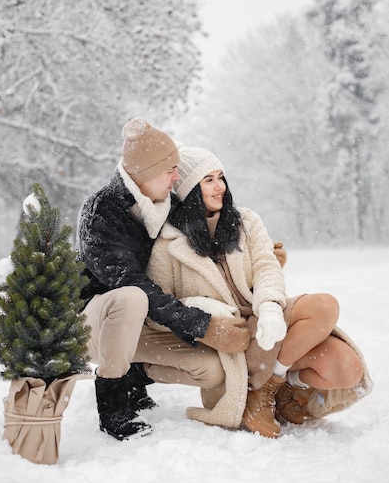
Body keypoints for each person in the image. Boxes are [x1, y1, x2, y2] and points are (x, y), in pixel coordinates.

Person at [146, 144, 372, 438]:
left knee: (346, 367)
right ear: (188, 189)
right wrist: (198, 306)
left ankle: (273, 385)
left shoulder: (246, 221)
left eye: (221, 177)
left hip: (265, 326)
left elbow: (267, 268)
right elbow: (158, 307)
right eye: (209, 180)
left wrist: (268, 308)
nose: (220, 188)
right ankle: (261, 385)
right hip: (232, 338)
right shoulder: (167, 242)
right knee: (324, 308)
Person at [76, 118, 251, 442]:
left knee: (211, 371)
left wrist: (247, 253)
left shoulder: (162, 206)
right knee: (131, 296)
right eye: (170, 169)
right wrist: (204, 326)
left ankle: (135, 374)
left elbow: (202, 239)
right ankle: (112, 401)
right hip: (94, 324)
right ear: (145, 172)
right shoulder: (102, 211)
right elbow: (129, 283)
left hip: (142, 324)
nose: (176, 176)